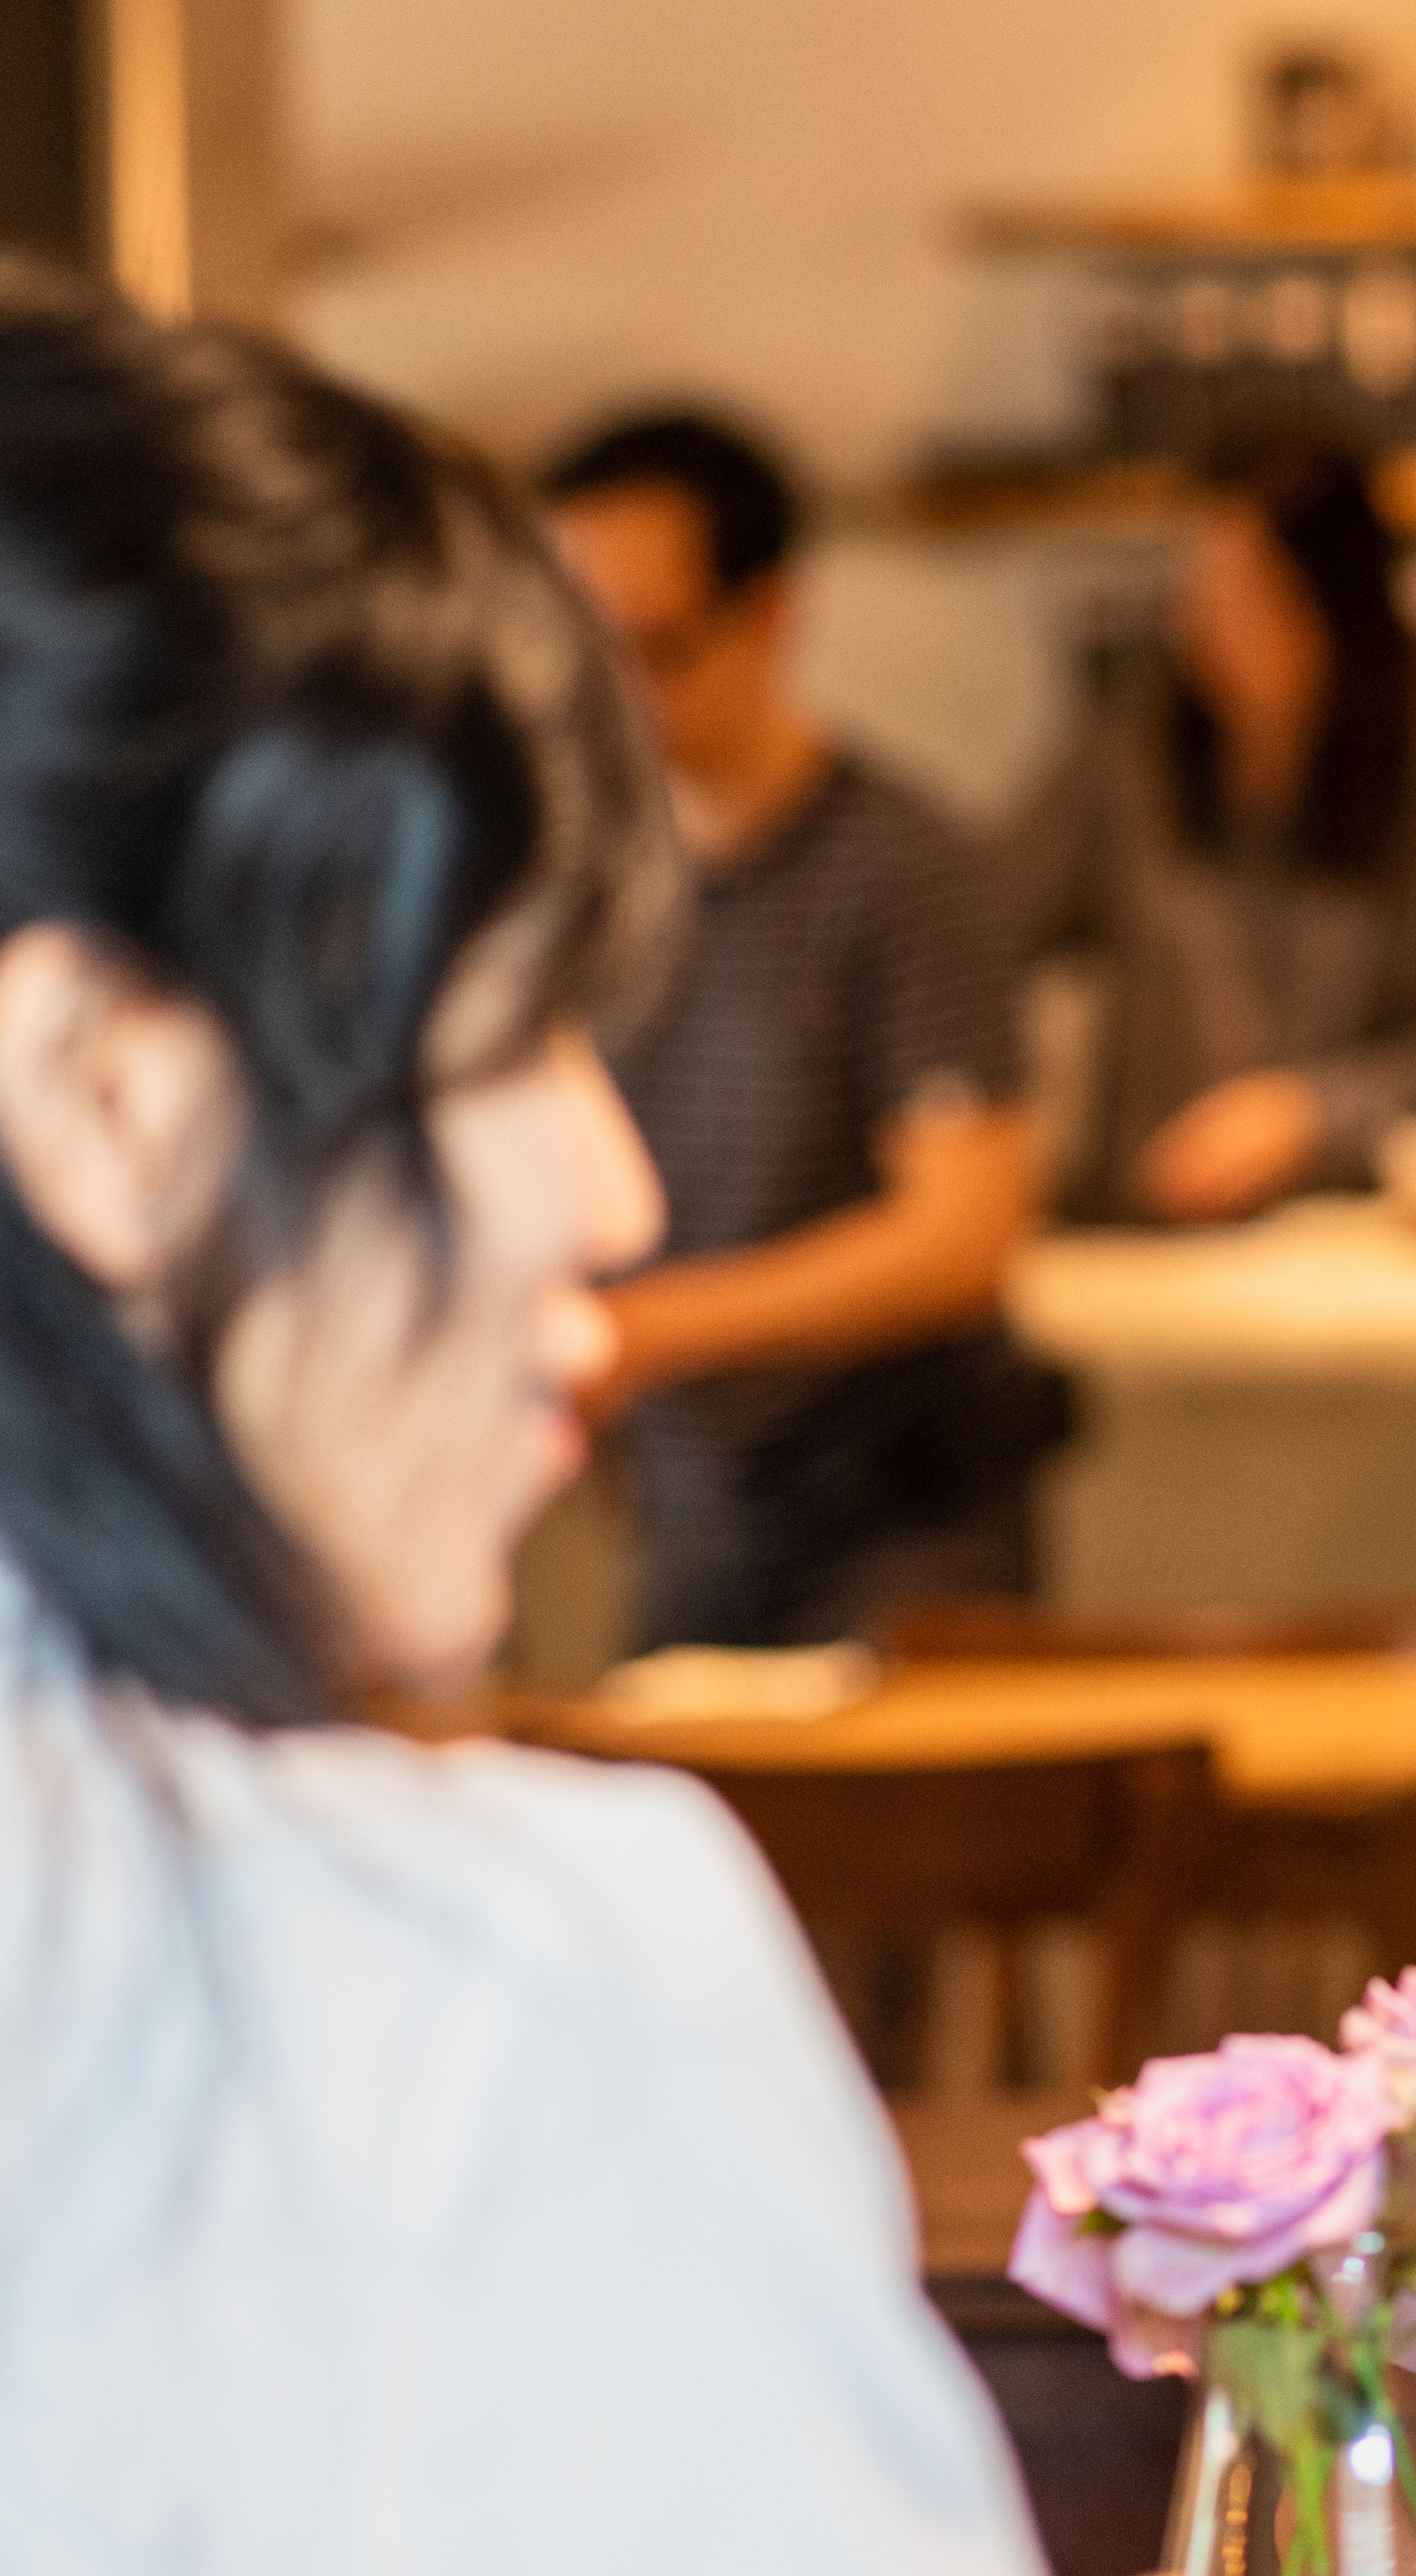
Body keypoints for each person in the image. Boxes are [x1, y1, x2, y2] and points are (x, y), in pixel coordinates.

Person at [0, 264, 1356, 2576]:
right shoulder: (494, 1980)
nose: (610, 1184)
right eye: (498, 1034)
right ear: (102, 1099)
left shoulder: (907, 852)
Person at [539, 409, 1055, 1649]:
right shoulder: (588, 877)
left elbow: (960, 1235)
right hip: (689, 1521)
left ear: (768, 616)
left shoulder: (904, 866)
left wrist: (650, 1332)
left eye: (652, 650)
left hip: (896, 1529)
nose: (613, 697)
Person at [1010, 442, 1416, 1223]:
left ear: (1333, 608)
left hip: (1348, 1246)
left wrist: (1307, 1113)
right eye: (1196, 596)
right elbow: (975, 933)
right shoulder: (1127, 766)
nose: (1209, 632)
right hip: (1144, 1236)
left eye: (1248, 600)